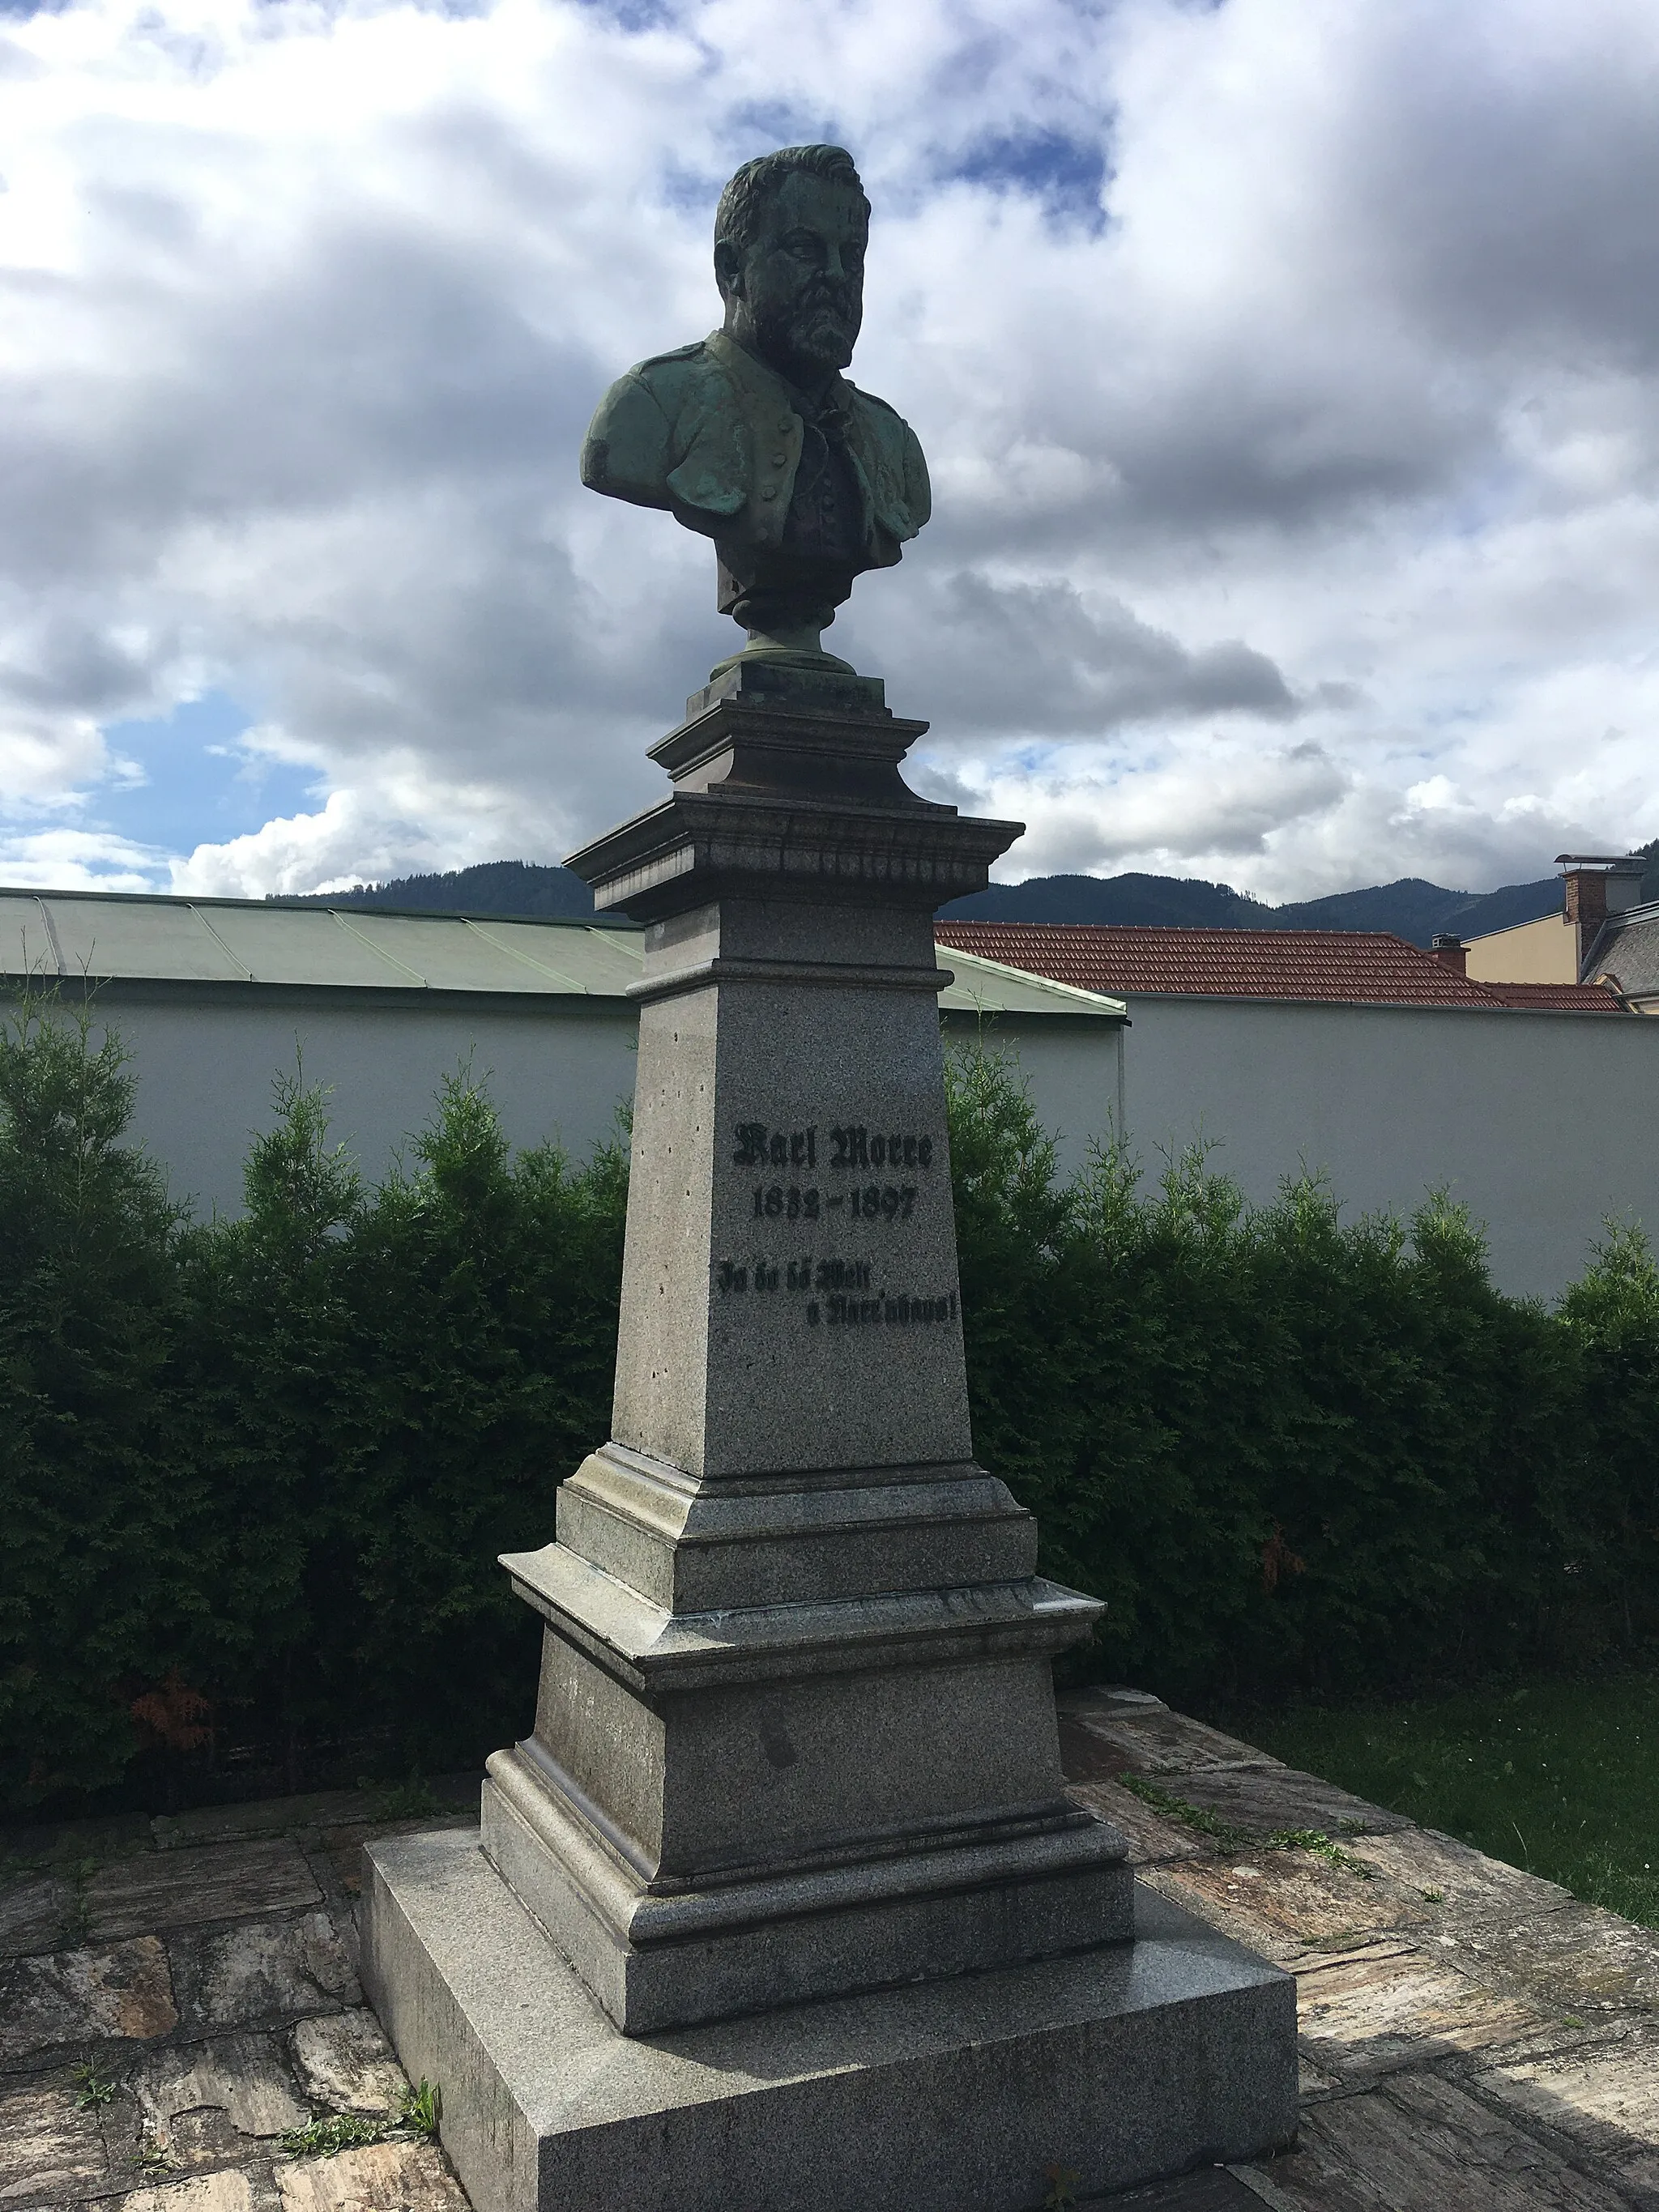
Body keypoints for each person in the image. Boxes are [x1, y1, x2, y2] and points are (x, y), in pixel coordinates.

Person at [581, 144, 931, 667]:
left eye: (851, 255)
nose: (837, 276)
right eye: (804, 250)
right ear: (732, 267)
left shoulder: (892, 443)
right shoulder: (650, 405)